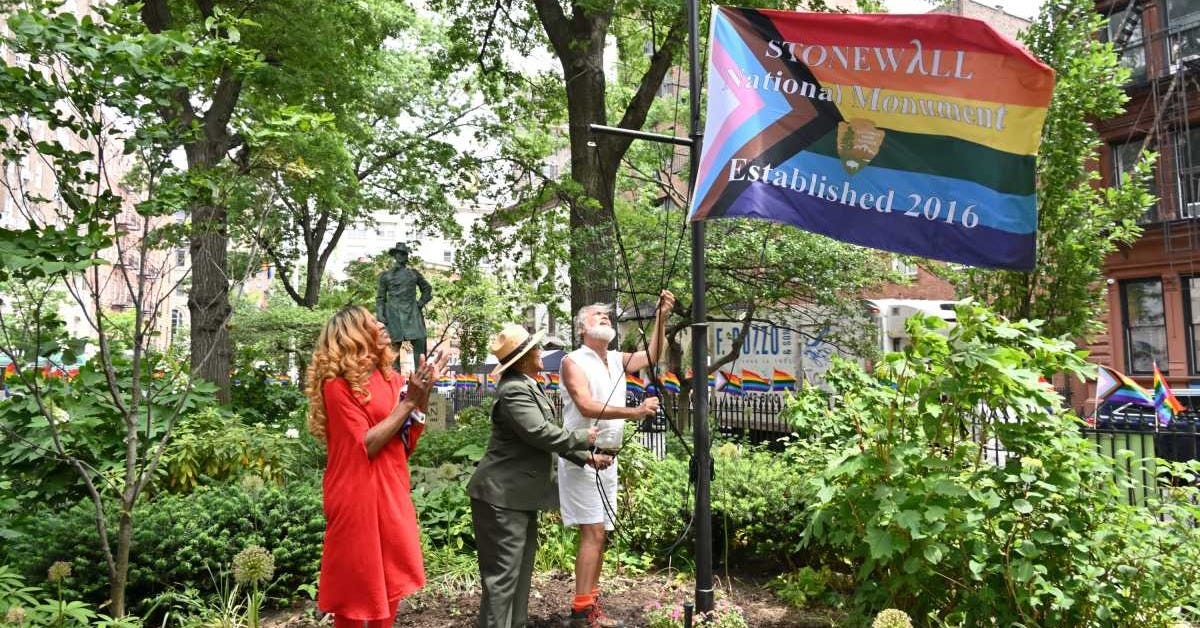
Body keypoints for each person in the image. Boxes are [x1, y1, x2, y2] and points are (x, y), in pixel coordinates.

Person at [305, 305, 449, 628]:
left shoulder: (390, 377)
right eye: (373, 322)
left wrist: (422, 393)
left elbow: (405, 440)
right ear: (354, 335)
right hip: (355, 495)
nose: (383, 324)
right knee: (354, 592)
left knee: (391, 580)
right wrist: (410, 401)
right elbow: (365, 445)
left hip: (391, 487)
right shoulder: (336, 385)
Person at [467, 324, 607, 628]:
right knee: (503, 578)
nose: (541, 352)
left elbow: (541, 437)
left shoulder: (528, 384)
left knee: (519, 572)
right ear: (523, 358)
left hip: (518, 497)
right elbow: (539, 432)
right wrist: (585, 438)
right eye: (536, 349)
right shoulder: (515, 389)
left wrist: (586, 458)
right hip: (501, 498)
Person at [558, 290, 675, 628]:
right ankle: (581, 612)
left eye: (607, 316)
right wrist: (635, 412)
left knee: (600, 534)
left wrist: (661, 317)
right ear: (582, 328)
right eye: (597, 316)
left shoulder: (615, 358)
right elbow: (585, 405)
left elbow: (653, 354)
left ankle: (589, 605)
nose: (605, 318)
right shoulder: (573, 361)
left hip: (608, 459)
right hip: (582, 458)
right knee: (593, 532)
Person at [376, 242, 434, 362]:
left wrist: (420, 303)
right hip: (393, 315)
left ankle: (420, 374)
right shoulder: (385, 276)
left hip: (412, 313)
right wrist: (380, 314)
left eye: (403, 254)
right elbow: (381, 297)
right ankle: (392, 378)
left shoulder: (413, 273)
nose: (401, 256)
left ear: (407, 256)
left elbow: (427, 289)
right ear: (395, 255)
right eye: (398, 253)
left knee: (420, 340)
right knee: (392, 348)